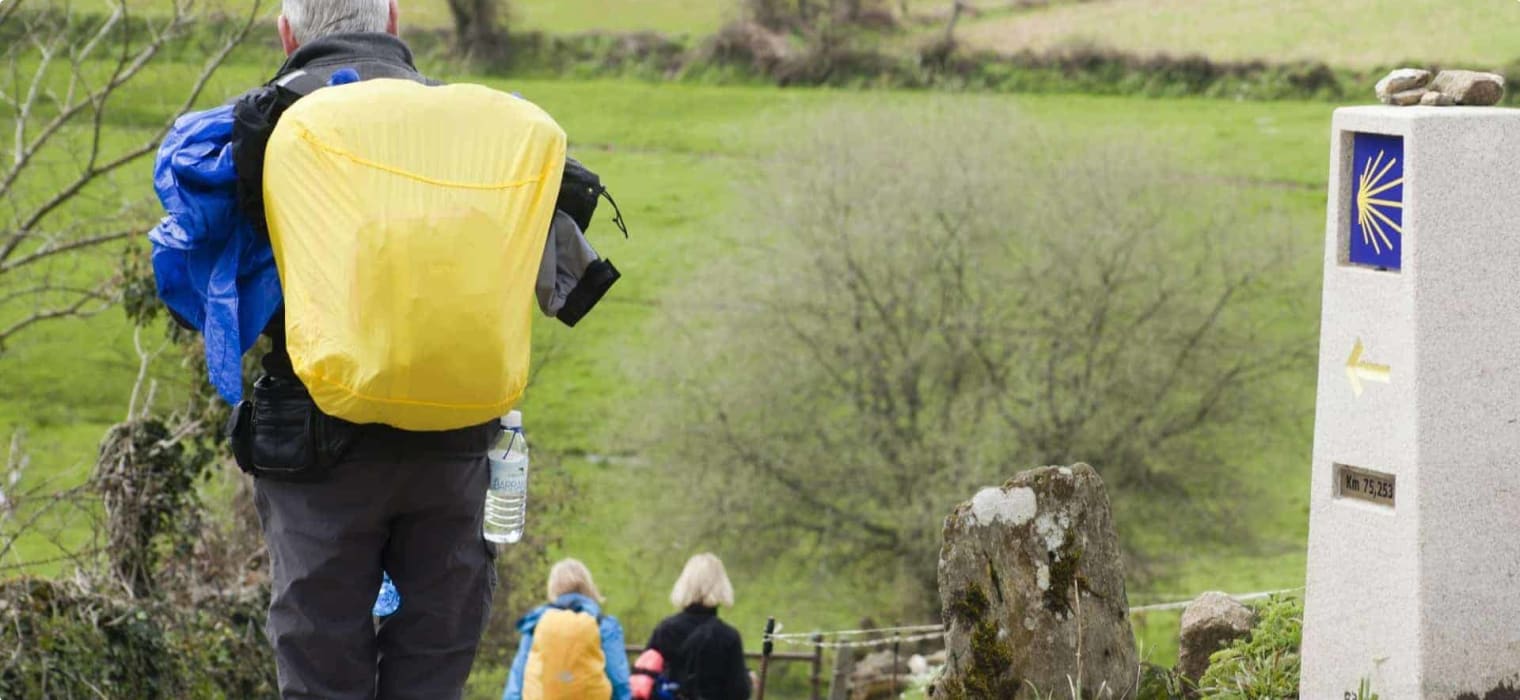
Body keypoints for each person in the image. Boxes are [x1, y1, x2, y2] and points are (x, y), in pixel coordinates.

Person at [237, 3, 498, 698]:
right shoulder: (471, 129)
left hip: (317, 442)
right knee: (435, 662)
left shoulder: (264, 124)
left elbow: (204, 284)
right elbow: (548, 272)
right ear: (395, 20)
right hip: (454, 435)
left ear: (287, 34)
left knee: (321, 664)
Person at [504, 559, 632, 700]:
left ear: (553, 586)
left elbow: (517, 679)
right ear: (587, 585)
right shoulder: (603, 624)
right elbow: (619, 680)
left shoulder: (537, 622)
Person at [644, 554, 752, 700]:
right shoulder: (728, 637)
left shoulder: (665, 630)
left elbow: (645, 679)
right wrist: (749, 680)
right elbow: (738, 692)